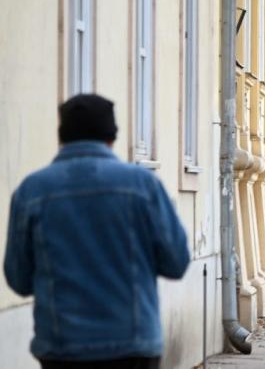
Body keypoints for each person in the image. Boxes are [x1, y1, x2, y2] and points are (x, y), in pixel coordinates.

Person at [3, 94, 191, 369]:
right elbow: (176, 263)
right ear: (111, 137)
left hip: (62, 347)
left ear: (62, 136)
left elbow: (18, 279)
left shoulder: (31, 191)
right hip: (132, 345)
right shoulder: (143, 186)